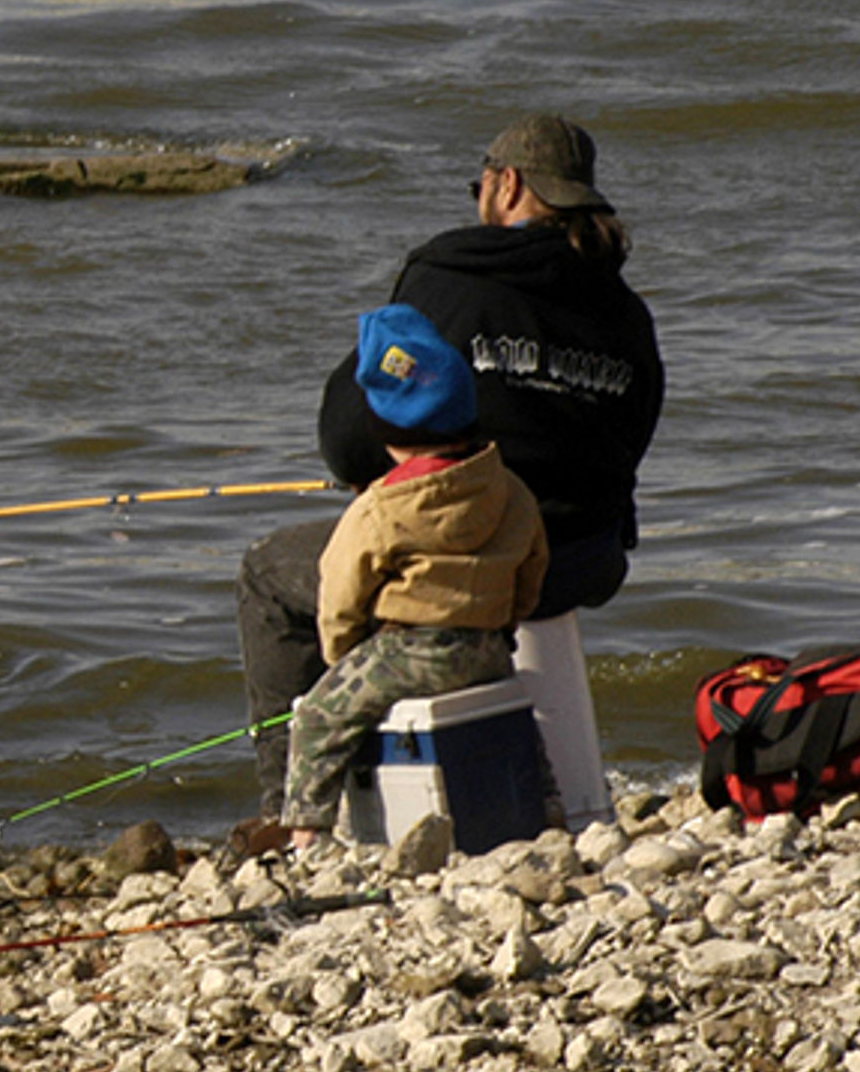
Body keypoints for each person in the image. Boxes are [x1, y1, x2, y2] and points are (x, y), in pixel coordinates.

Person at [238, 113, 664, 817]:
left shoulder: (454, 277)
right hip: (581, 561)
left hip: (470, 572)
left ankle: (293, 806)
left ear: (506, 186)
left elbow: (346, 436)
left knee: (267, 572)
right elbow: (633, 442)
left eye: (481, 185)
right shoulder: (625, 311)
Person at [278, 305, 550, 840]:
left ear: (387, 433)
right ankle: (549, 805)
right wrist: (501, 624)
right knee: (518, 721)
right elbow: (531, 571)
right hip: (490, 648)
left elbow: (341, 595)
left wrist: (343, 660)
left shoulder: (380, 508)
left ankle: (305, 833)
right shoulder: (511, 490)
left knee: (317, 720)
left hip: (410, 651)